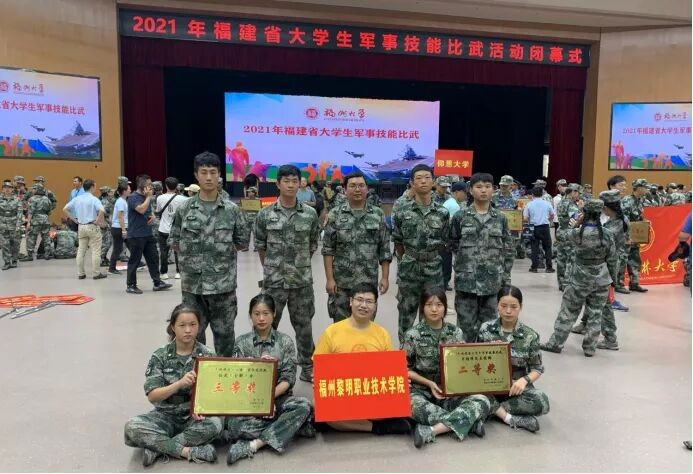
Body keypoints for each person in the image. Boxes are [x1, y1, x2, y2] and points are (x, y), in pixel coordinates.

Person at [169, 152, 249, 356]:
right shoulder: (185, 209)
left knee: (225, 337)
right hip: (193, 288)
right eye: (203, 172)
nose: (208, 177)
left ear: (219, 174)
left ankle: (224, 373)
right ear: (196, 175)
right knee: (193, 336)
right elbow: (175, 241)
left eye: (213, 172)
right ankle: (196, 374)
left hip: (223, 287)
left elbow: (241, 242)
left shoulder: (231, 210)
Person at [123, 304, 222, 466]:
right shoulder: (160, 355)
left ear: (199, 326)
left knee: (216, 424)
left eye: (193, 324)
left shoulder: (207, 355)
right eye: (182, 325)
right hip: (165, 415)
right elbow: (153, 396)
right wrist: (179, 383)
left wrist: (203, 408)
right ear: (173, 327)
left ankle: (157, 447)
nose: (188, 330)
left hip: (193, 417)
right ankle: (187, 451)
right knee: (132, 427)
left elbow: (215, 392)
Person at [225, 294, 315, 465]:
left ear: (274, 314)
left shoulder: (285, 341)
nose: (261, 318)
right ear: (250, 316)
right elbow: (238, 380)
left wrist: (269, 398)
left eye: (266, 313)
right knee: (234, 425)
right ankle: (290, 427)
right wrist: (259, 403)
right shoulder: (241, 343)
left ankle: (254, 444)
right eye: (256, 314)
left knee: (303, 406)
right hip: (250, 401)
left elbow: (288, 379)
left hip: (279, 398)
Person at [313, 283, 411, 435]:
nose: (363, 305)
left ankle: (353, 423)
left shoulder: (382, 334)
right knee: (322, 409)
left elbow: (389, 370)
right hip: (345, 393)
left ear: (375, 306)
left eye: (369, 301)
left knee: (402, 403)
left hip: (370, 392)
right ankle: (376, 427)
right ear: (350, 301)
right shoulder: (331, 332)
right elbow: (319, 368)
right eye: (359, 299)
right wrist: (317, 381)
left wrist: (401, 381)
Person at [255, 164, 319, 382]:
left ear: (300, 183)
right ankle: (266, 369)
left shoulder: (309, 214)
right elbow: (261, 245)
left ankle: (307, 367)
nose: (291, 185)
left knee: (304, 327)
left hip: (301, 282)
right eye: (286, 181)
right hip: (274, 282)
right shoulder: (265, 214)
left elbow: (312, 244)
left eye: (295, 181)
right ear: (278, 184)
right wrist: (272, 268)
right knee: (267, 325)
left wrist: (298, 265)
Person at [404, 287, 490, 448]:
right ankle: (469, 423)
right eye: (429, 304)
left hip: (449, 391)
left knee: (483, 401)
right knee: (409, 405)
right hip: (421, 391)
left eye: (439, 304)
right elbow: (404, 369)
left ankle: (432, 430)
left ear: (445, 307)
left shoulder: (456, 333)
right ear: (422, 307)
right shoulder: (413, 335)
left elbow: (465, 365)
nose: (434, 309)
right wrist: (429, 383)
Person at [541, 199, 618, 357]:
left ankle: (556, 343)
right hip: (601, 279)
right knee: (596, 313)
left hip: (579, 278)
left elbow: (560, 235)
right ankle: (590, 347)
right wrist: (613, 280)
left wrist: (575, 223)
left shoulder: (577, 233)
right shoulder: (607, 234)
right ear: (600, 212)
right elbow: (612, 259)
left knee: (568, 311)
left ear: (585, 213)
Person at [449, 172, 513, 340]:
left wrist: (506, 278)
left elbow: (508, 249)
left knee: (490, 330)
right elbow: (452, 243)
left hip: (492, 283)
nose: (483, 190)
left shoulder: (500, 218)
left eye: (487, 187)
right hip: (466, 283)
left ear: (493, 190)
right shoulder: (460, 216)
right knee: (465, 330)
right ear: (470, 190)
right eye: (478, 187)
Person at [322, 170, 391, 322]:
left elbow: (384, 249)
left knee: (366, 324)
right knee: (341, 324)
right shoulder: (335, 215)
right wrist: (329, 279)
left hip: (368, 281)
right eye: (352, 186)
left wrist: (385, 278)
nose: (357, 189)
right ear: (345, 190)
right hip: (342, 282)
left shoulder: (377, 214)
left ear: (367, 189)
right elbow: (328, 250)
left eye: (361, 185)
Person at [478, 285, 549, 432]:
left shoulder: (530, 335)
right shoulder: (485, 329)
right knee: (468, 393)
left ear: (521, 307)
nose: (508, 311)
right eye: (503, 306)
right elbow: (476, 363)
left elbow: (537, 368)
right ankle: (508, 417)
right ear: (497, 306)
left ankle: (489, 411)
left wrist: (524, 380)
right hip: (489, 387)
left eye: (513, 306)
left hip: (515, 390)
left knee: (541, 401)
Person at [392, 164, 449, 343]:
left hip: (433, 269)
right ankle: (405, 352)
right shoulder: (402, 211)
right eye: (418, 178)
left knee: (432, 312)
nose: (423, 181)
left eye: (427, 177)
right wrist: (408, 258)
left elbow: (444, 240)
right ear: (412, 183)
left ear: (433, 182)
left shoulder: (442, 212)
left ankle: (429, 352)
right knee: (406, 312)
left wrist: (429, 255)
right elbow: (398, 241)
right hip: (409, 267)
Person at [571, 190, 628, 348]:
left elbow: (608, 251)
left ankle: (610, 338)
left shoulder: (614, 226)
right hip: (605, 267)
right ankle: (585, 323)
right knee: (593, 298)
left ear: (607, 207)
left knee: (605, 304)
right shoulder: (616, 221)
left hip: (606, 267)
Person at [126, 174, 172, 294]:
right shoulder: (133, 197)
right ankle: (131, 285)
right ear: (142, 186)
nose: (151, 187)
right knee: (135, 261)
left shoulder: (145, 197)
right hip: (136, 234)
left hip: (147, 233)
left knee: (153, 258)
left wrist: (152, 216)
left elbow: (147, 212)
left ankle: (157, 282)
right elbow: (141, 209)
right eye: (149, 185)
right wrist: (148, 197)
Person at [63, 179, 107, 280]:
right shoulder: (94, 199)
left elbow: (65, 209)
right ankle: (96, 273)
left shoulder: (77, 199)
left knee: (81, 250)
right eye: (95, 186)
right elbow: (102, 210)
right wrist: (97, 221)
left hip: (81, 226)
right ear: (92, 187)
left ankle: (81, 273)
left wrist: (74, 220)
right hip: (92, 226)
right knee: (95, 251)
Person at [619, 178, 649, 293]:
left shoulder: (639, 201)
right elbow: (623, 220)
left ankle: (634, 283)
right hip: (626, 236)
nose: (646, 190)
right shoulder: (627, 201)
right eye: (645, 187)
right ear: (638, 188)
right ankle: (619, 284)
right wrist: (627, 237)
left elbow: (638, 216)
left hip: (635, 235)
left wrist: (644, 221)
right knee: (623, 260)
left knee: (635, 259)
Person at [156, 177, 188, 280]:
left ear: (166, 186)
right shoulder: (184, 199)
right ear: (177, 186)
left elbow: (158, 211)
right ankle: (178, 272)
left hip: (163, 229)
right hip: (177, 229)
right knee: (178, 251)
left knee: (163, 251)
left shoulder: (160, 198)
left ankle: (164, 273)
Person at [555, 183, 582, 290]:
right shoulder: (571, 204)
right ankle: (567, 284)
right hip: (569, 234)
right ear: (573, 192)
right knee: (570, 259)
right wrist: (581, 209)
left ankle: (561, 283)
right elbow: (575, 219)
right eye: (578, 192)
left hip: (561, 232)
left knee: (561, 259)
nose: (579, 195)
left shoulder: (562, 202)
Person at [523, 187, 555, 273]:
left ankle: (534, 267)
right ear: (542, 194)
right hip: (545, 227)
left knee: (534, 248)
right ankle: (549, 267)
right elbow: (552, 215)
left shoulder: (529, 204)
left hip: (533, 227)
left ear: (532, 194)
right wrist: (547, 219)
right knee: (547, 247)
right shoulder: (547, 203)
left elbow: (525, 218)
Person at [22, 183, 53, 261]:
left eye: (34, 188)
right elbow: (50, 211)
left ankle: (30, 256)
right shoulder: (47, 199)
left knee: (31, 237)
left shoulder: (32, 199)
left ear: (37, 190)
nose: (32, 190)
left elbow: (30, 211)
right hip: (45, 220)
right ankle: (47, 254)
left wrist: (28, 222)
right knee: (46, 238)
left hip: (35, 220)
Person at [108, 183, 130, 275]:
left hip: (121, 227)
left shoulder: (123, 201)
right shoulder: (121, 202)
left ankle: (137, 262)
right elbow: (120, 216)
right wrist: (124, 230)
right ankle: (111, 268)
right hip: (119, 228)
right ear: (124, 191)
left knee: (131, 245)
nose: (130, 190)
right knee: (117, 248)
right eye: (128, 189)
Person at [0, 180, 22, 270]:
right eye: (5, 187)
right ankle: (7, 262)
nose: (7, 189)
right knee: (5, 244)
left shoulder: (17, 200)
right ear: (2, 189)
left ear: (12, 189)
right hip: (2, 225)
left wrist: (18, 225)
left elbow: (19, 213)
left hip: (14, 224)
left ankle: (14, 260)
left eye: (9, 187)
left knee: (15, 244)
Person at [98, 186, 114, 267]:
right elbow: (103, 214)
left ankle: (103, 257)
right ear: (107, 193)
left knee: (107, 242)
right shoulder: (105, 202)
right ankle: (102, 259)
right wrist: (106, 223)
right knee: (107, 242)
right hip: (105, 225)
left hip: (106, 224)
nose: (112, 194)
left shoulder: (103, 201)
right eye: (110, 192)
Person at [242, 186, 260, 251]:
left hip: (255, 219)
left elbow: (261, 210)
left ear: (254, 193)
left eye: (250, 192)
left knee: (255, 233)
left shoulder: (258, 201)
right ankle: (246, 247)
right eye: (248, 192)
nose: (248, 193)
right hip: (247, 219)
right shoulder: (245, 200)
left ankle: (256, 247)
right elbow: (242, 210)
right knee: (246, 233)